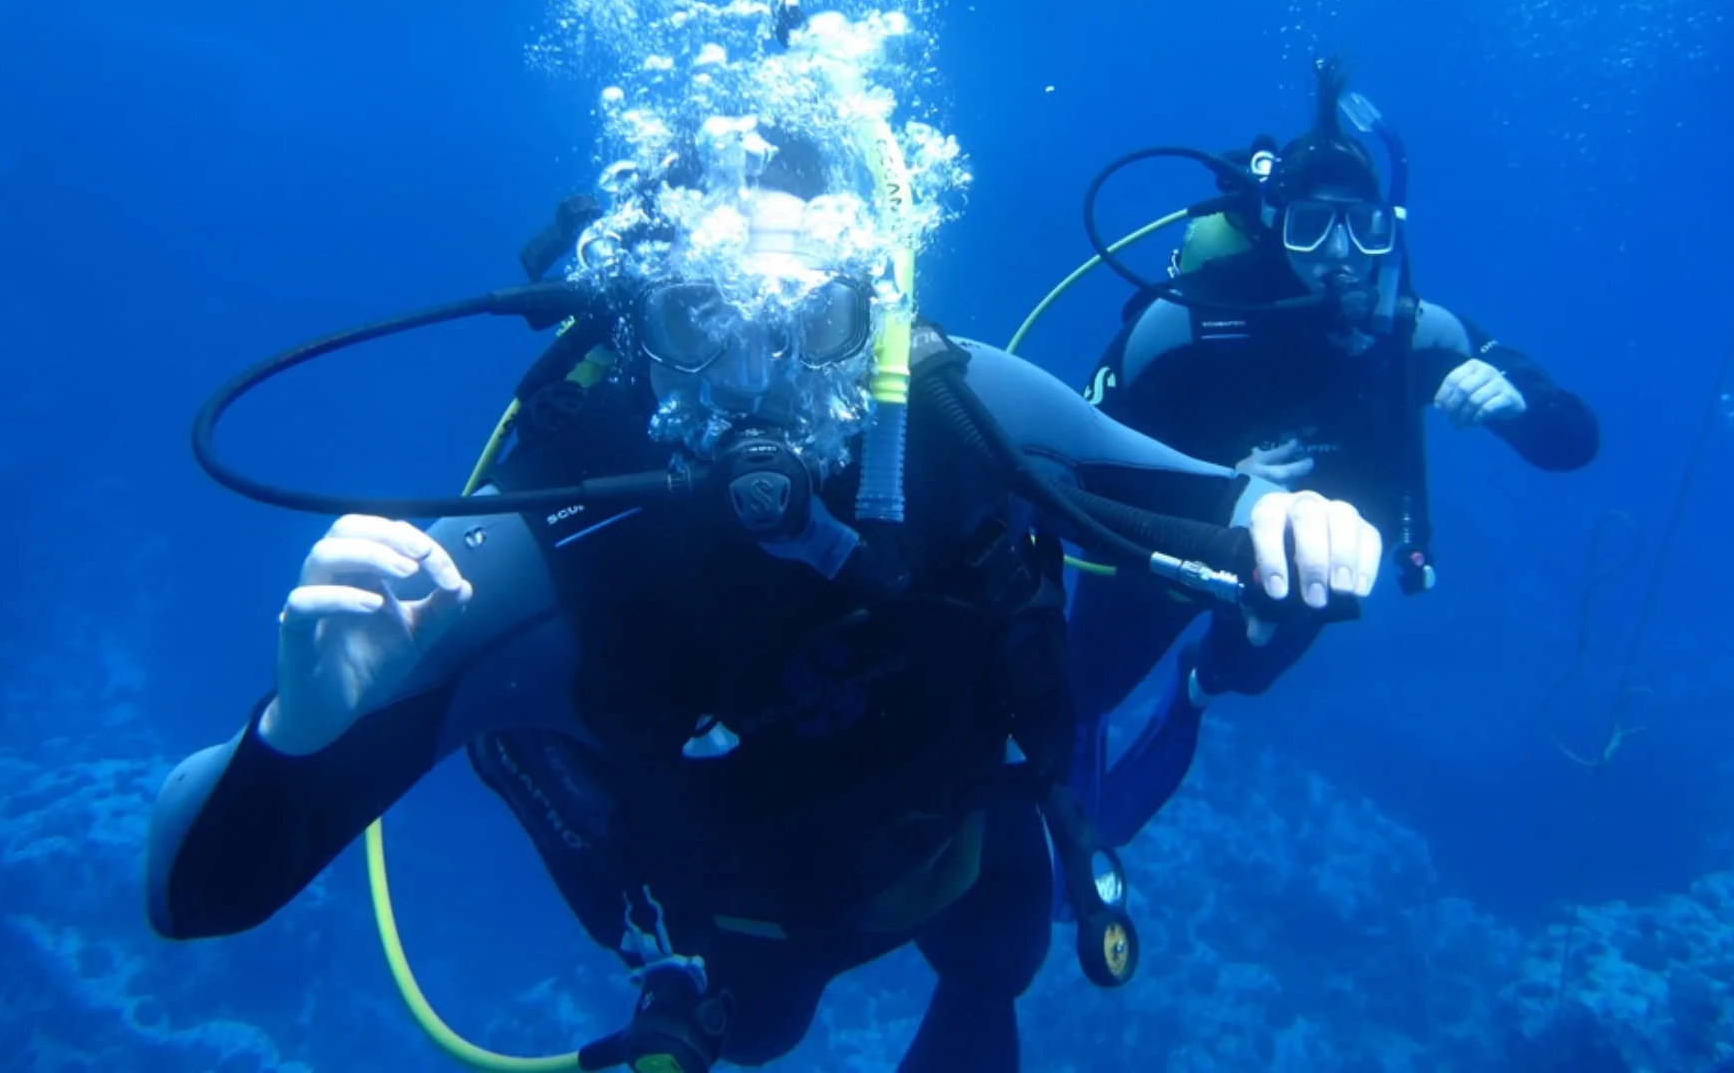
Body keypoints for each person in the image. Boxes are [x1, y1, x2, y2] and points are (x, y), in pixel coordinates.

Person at [146, 105, 1385, 1073]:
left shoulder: (961, 408)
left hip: (966, 830)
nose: (765, 385)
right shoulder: (549, 546)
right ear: (635, 321)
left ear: (881, 316)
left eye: (819, 322)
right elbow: (196, 898)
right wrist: (296, 729)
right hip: (745, 920)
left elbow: (1204, 498)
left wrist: (1294, 517)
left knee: (997, 956)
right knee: (756, 1037)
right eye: (704, 321)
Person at [1066, 57, 1600, 849]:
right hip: (1168, 553)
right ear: (1275, 225)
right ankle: (1074, 756)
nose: (1339, 254)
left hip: (1311, 571)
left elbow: (1572, 442)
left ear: (1389, 231)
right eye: (1310, 226)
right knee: (1082, 686)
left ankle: (1198, 687)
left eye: (1364, 227)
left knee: (1241, 674)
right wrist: (1215, 495)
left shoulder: (1412, 334)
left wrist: (1519, 398)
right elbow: (1076, 477)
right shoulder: (1185, 324)